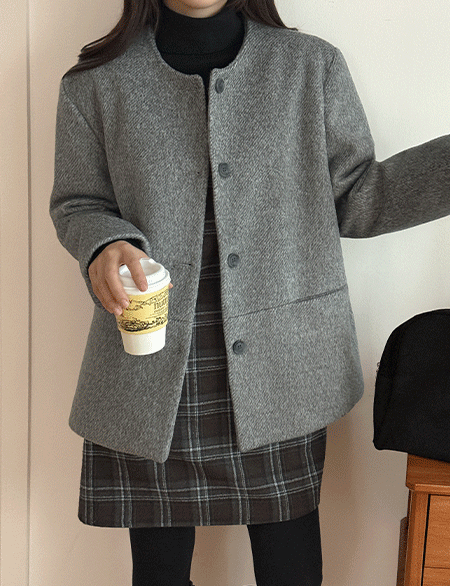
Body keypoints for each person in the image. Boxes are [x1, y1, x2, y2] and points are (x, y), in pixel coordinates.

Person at [49, 0, 450, 584]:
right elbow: (78, 202)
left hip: (281, 366)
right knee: (158, 572)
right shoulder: (96, 83)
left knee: (291, 568)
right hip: (153, 366)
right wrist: (105, 243)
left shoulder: (309, 67)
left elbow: (357, 198)